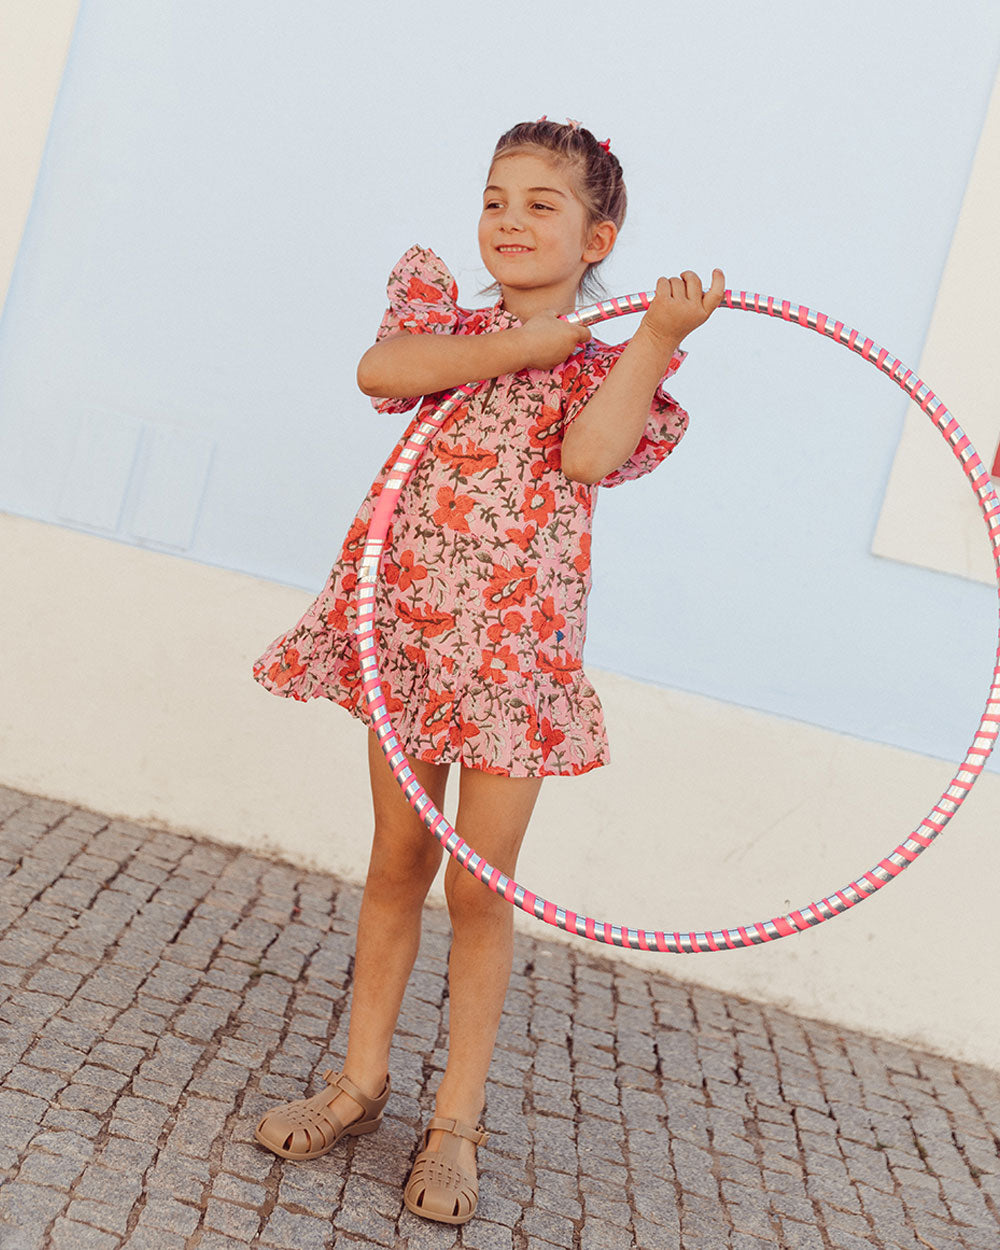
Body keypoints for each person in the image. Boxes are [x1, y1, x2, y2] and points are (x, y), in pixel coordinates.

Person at [250, 117, 724, 1226]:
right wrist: (521, 343)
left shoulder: (609, 366)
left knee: (479, 881)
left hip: (514, 659)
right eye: (496, 199)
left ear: (597, 232)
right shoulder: (444, 320)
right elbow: (386, 369)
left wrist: (653, 335)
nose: (509, 219)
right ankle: (358, 1080)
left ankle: (454, 1119)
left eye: (541, 204)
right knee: (397, 855)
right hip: (409, 634)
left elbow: (593, 455)